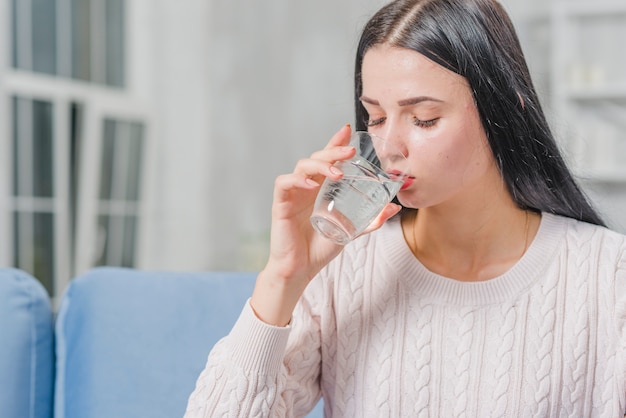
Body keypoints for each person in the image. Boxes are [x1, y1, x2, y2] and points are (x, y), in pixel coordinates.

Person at [185, 0, 626, 416]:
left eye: (424, 119)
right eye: (375, 117)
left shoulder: (609, 278)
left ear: (507, 107)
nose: (388, 147)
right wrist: (282, 278)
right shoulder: (345, 273)